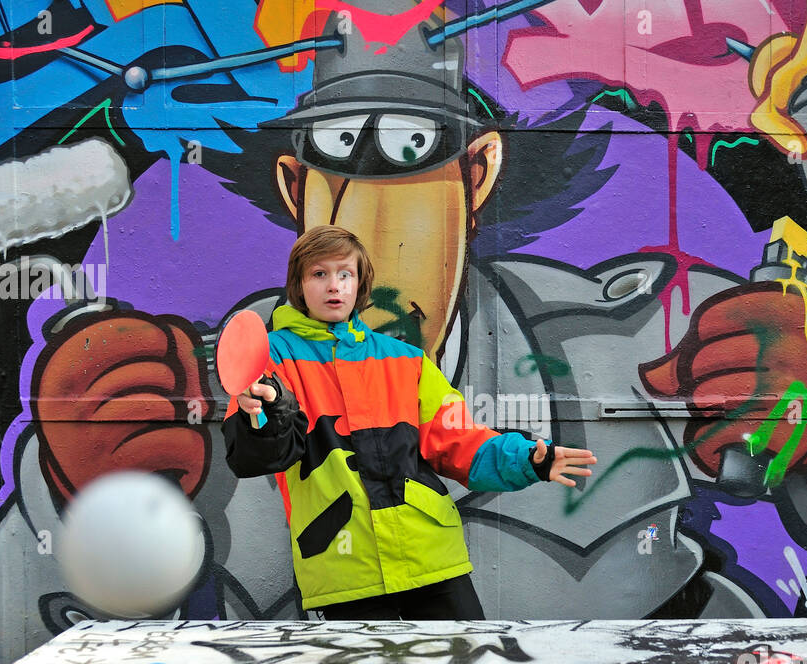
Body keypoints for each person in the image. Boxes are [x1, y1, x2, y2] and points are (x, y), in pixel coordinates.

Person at [222, 224, 596, 620]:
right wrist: (267, 415)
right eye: (319, 274)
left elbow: (462, 443)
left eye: (345, 274)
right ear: (299, 285)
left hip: (431, 556)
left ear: (360, 283)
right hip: (343, 564)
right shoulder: (272, 359)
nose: (334, 286)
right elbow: (254, 458)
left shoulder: (406, 359)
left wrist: (527, 460)